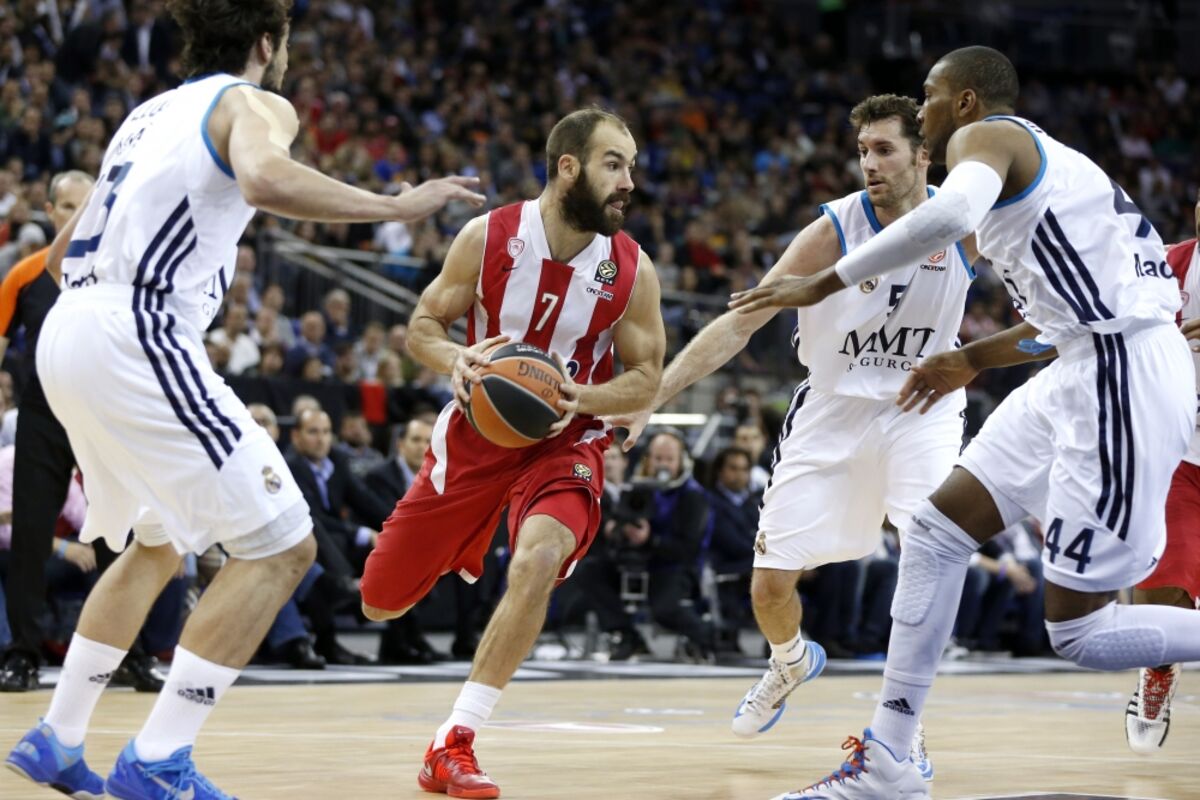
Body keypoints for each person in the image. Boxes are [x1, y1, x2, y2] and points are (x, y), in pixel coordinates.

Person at [4, 1, 485, 797]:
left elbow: (58, 258)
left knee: (157, 543)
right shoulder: (253, 100)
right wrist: (395, 206)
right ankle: (158, 759)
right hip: (138, 330)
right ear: (267, 42)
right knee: (283, 544)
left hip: (71, 330)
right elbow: (263, 177)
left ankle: (58, 737)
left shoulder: (144, 116)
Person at [729, 46, 1199, 799]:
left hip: (1121, 370)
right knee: (937, 531)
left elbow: (946, 216)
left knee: (1078, 632)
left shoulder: (992, 138)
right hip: (1084, 360)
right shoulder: (1047, 174)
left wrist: (822, 282)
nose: (924, 111)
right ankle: (890, 760)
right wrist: (970, 358)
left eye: (931, 94)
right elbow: (1058, 323)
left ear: (968, 102)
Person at [611, 94, 972, 773]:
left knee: (926, 553)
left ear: (925, 154)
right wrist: (652, 396)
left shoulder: (962, 221)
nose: (870, 164)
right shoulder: (834, 230)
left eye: (885, 149)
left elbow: (1041, 278)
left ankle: (901, 724)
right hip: (832, 409)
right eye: (862, 151)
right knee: (770, 587)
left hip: (920, 408)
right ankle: (790, 660)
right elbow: (742, 321)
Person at [358, 106, 666, 799]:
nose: (628, 182)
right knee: (380, 602)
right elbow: (423, 325)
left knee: (538, 556)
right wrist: (456, 358)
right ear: (568, 167)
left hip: (567, 440)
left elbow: (647, 377)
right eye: (614, 164)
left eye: (631, 167)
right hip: (477, 437)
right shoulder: (488, 236)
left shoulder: (632, 269)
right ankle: (459, 543)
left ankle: (454, 740)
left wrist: (581, 398)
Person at [0, 170, 95, 694]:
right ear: (51, 212)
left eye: (88, 205)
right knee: (31, 535)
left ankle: (129, 654)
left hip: (100, 413)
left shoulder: (116, 270)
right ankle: (22, 654)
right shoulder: (24, 275)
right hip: (41, 415)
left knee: (122, 535)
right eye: (68, 207)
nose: (79, 216)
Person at [1124, 188, 1200, 754]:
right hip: (1181, 451)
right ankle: (1158, 667)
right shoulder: (1166, 265)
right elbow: (1118, 340)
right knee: (1160, 582)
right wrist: (1164, 339)